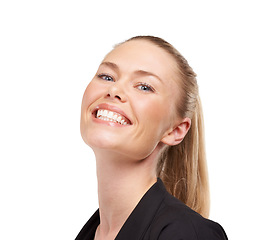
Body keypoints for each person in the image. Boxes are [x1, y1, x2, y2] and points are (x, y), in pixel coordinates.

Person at [76, 36, 228, 240]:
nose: (114, 90)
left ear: (175, 130)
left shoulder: (188, 233)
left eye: (144, 86)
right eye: (107, 76)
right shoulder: (91, 233)